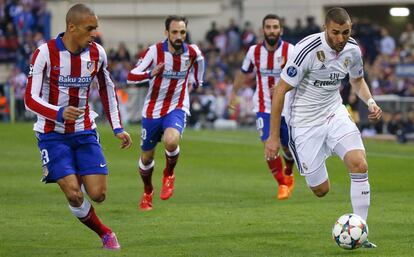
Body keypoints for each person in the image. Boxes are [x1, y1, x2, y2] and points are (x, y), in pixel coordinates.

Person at [264, 7, 382, 248]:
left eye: (345, 32)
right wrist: (273, 136)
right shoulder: (306, 50)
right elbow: (279, 92)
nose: (340, 39)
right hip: (304, 123)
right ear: (325, 29)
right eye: (335, 33)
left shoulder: (352, 49)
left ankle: (361, 232)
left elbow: (357, 81)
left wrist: (370, 101)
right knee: (320, 190)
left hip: (333, 112)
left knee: (359, 163)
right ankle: (313, 157)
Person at [24, 3, 132, 250]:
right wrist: (58, 113)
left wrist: (117, 127)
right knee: (74, 193)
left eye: (95, 28)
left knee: (98, 195)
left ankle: (68, 172)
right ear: (72, 27)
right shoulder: (44, 53)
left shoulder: (97, 54)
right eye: (89, 28)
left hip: (84, 130)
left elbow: (107, 89)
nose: (94, 33)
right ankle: (105, 233)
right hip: (52, 134)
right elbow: (30, 98)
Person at [127, 15, 205, 211]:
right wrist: (149, 74)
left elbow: (200, 63)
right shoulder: (154, 52)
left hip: (176, 106)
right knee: (146, 158)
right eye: (175, 32)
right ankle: (147, 191)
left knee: (171, 141)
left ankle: (169, 174)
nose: (179, 36)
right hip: (153, 110)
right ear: (166, 33)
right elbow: (131, 76)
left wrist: (197, 81)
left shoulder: (192, 52)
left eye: (182, 32)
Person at [231, 14, 295, 200]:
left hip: (286, 108)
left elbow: (301, 76)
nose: (272, 30)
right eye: (268, 27)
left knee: (288, 148)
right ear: (262, 30)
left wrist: (285, 86)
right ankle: (282, 184)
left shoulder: (290, 51)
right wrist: (234, 94)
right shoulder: (254, 52)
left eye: (275, 27)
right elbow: (243, 73)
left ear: (281, 30)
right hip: (264, 107)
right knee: (269, 146)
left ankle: (289, 170)